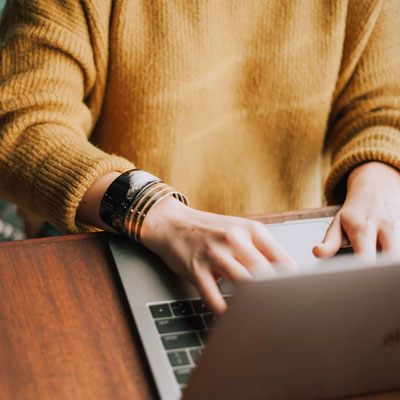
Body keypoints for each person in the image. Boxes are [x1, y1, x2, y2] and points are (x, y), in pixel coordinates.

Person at [1, 0, 400, 314]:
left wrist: (378, 177)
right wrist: (156, 214)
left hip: (300, 251)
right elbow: (22, 123)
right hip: (119, 243)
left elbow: (383, 103)